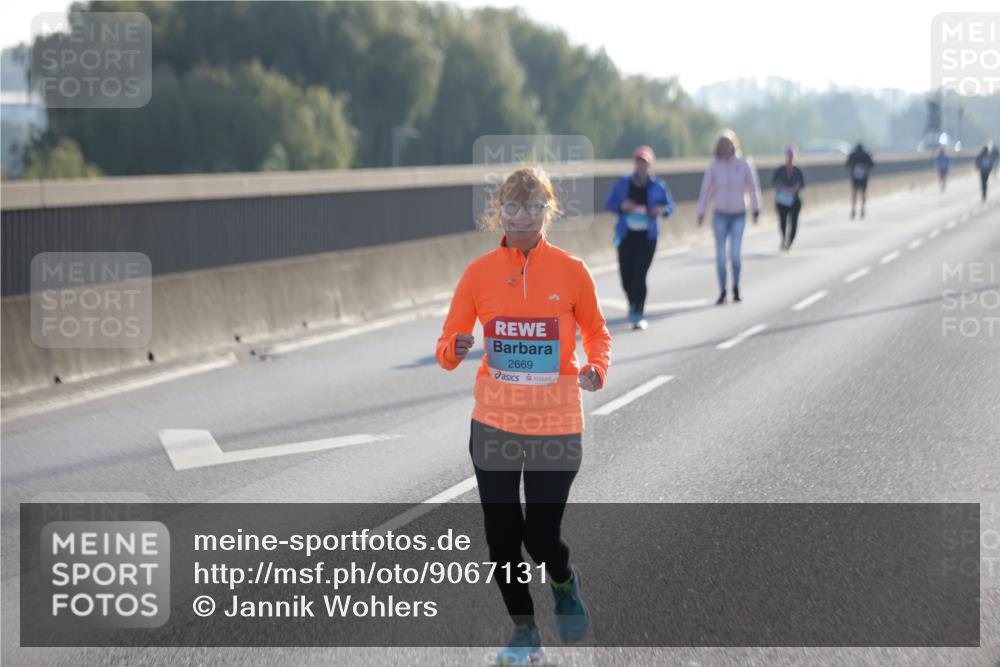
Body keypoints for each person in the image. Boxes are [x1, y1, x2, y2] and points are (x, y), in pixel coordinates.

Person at [436, 165, 610, 666]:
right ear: (499, 213)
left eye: (534, 207)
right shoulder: (478, 274)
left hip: (556, 423)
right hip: (493, 420)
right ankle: (524, 633)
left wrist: (597, 367)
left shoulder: (572, 271)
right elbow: (446, 348)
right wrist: (456, 345)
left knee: (539, 536)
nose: (523, 217)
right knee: (502, 538)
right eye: (513, 207)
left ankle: (562, 579)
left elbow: (597, 333)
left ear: (548, 210)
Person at [604, 145, 675, 330]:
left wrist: (661, 210)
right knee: (626, 276)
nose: (641, 166)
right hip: (626, 235)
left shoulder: (658, 185)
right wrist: (622, 206)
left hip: (648, 237)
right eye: (638, 162)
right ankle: (632, 302)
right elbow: (609, 203)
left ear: (650, 165)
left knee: (639, 274)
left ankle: (638, 313)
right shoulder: (623, 183)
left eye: (645, 163)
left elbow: (669, 207)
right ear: (634, 163)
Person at [696, 130, 761, 305]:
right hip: (720, 215)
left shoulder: (743, 163)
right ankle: (723, 290)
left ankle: (736, 287)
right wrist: (701, 211)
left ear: (734, 145)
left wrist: (756, 209)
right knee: (721, 256)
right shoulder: (714, 166)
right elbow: (706, 190)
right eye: (722, 144)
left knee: (735, 254)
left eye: (728, 144)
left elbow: (752, 187)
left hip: (739, 214)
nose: (726, 148)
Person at [772, 145, 805, 251]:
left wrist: (794, 189)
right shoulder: (780, 170)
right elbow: (774, 182)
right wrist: (782, 188)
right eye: (788, 156)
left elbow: (802, 184)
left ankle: (789, 242)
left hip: (794, 201)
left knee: (794, 222)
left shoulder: (798, 171)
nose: (790, 159)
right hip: (782, 200)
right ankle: (783, 239)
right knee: (782, 222)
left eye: (792, 157)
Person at [846, 142, 874, 219]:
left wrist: (864, 168)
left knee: (860, 193)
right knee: (857, 193)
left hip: (863, 177)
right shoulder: (854, 155)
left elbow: (871, 165)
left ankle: (860, 209)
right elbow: (847, 165)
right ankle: (856, 209)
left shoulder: (865, 155)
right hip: (855, 177)